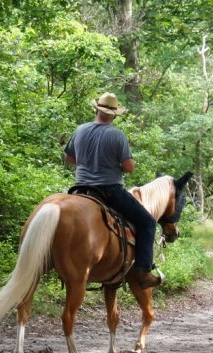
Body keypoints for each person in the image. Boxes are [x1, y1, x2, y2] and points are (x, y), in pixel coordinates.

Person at [63, 92, 161, 289]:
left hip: (80, 189)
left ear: (96, 109)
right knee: (148, 223)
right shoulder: (117, 135)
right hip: (109, 191)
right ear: (114, 114)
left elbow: (69, 159)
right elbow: (129, 167)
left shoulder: (80, 130)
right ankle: (142, 272)